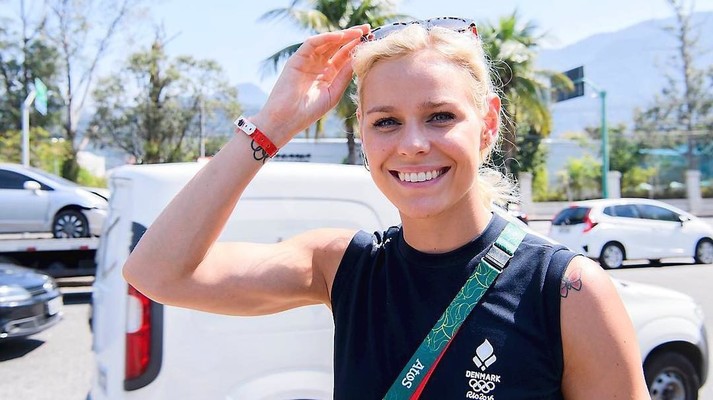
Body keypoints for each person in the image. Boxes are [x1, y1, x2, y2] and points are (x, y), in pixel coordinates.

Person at [123, 17, 650, 399]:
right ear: (363, 135)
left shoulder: (566, 290)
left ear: (488, 124)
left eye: (440, 116)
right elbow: (156, 272)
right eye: (386, 122)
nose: (413, 144)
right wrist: (272, 127)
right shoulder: (342, 267)